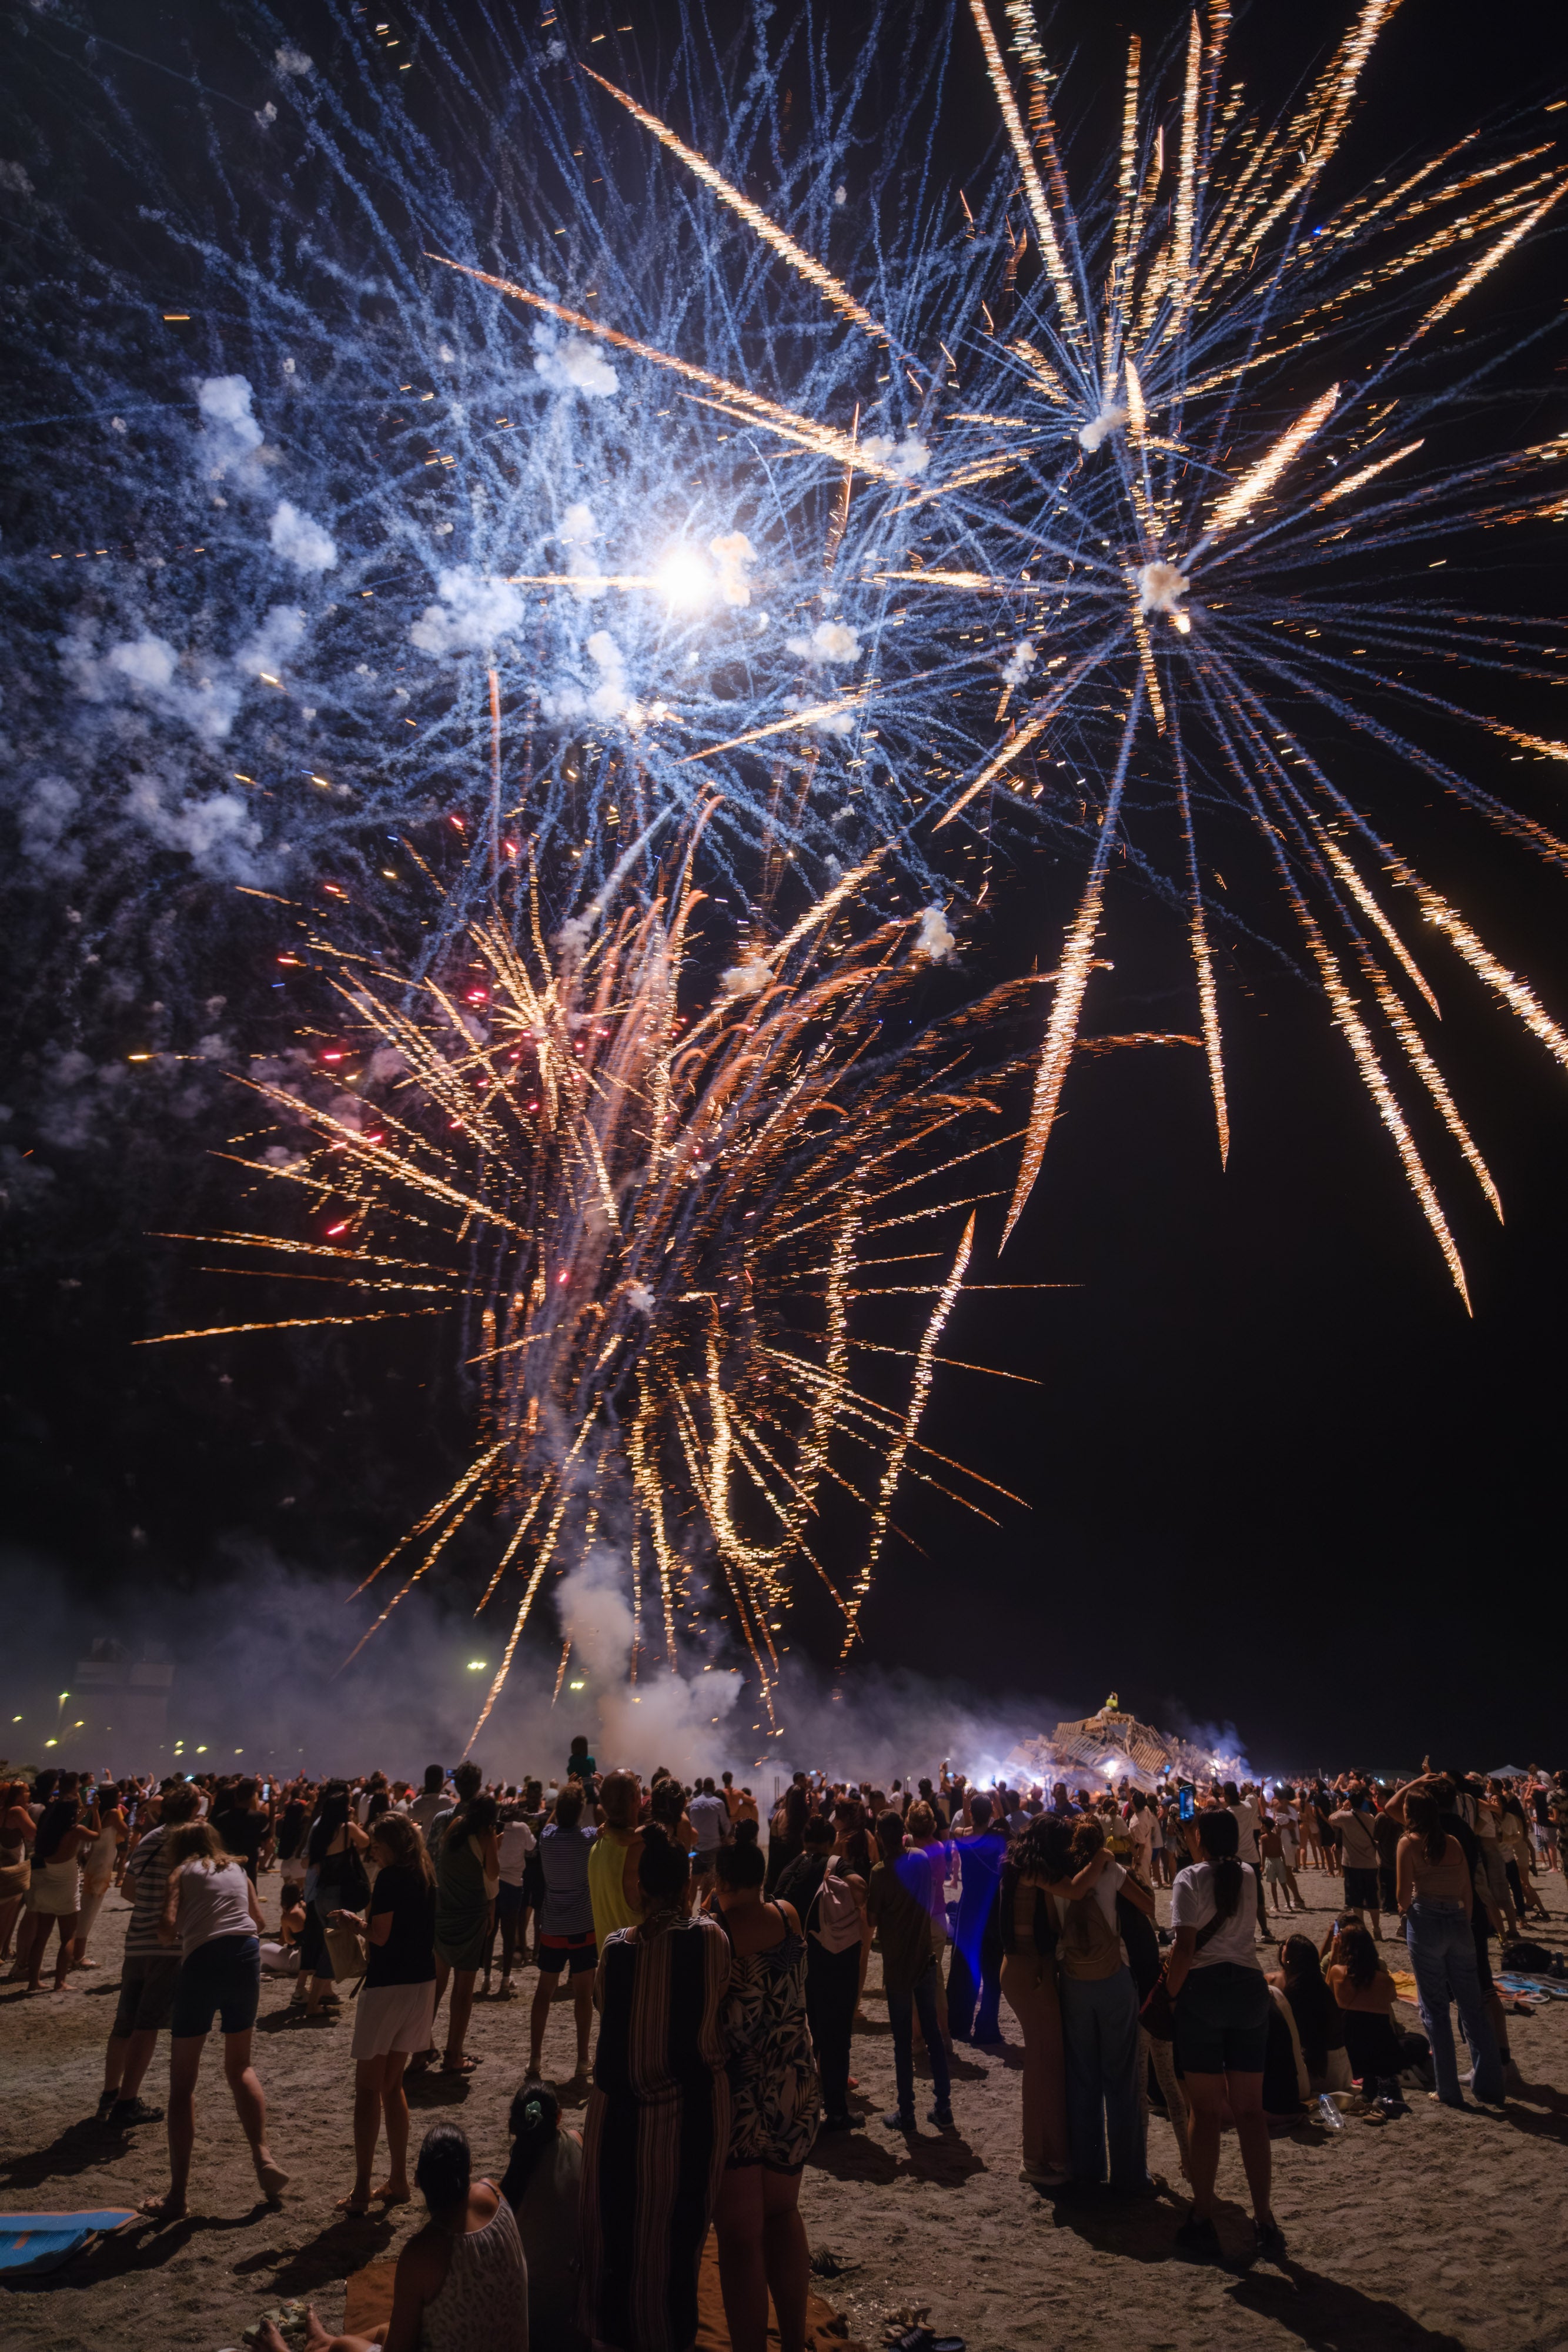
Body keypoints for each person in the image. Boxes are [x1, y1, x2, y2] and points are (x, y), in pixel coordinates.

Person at [580, 1820, 732, 2352]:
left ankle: (615, 2333)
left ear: (640, 1887)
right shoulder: (710, 1940)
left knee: (617, 2236)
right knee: (677, 2238)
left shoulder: (616, 1951)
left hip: (619, 2117)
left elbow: (607, 2009)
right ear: (688, 1882)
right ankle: (667, 2334)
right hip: (688, 2120)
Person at [259, 2122, 528, 2352]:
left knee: (347, 2348)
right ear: (470, 2167)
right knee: (383, 2332)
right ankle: (323, 2343)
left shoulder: (424, 2252)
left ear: (418, 2181)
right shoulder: (492, 2191)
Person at [142, 1819, 287, 2220]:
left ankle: (177, 2197)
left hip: (203, 1962)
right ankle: (263, 2158)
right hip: (245, 1955)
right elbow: (257, 1922)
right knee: (240, 2065)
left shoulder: (180, 1872)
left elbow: (167, 1929)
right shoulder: (237, 1869)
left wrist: (176, 1924)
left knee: (183, 2082)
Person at [711, 1825, 821, 2352]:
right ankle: (796, 2342)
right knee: (782, 2213)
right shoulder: (787, 1915)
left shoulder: (717, 1934)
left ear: (720, 1879)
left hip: (742, 2088)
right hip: (795, 2078)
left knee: (738, 2236)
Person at [1166, 1808, 1282, 2266]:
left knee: (1206, 2112)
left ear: (1198, 1836)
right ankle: (1263, 2218)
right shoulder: (1249, 1875)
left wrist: (1170, 1999)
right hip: (1249, 1989)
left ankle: (1202, 2212)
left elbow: (1185, 1948)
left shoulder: (1189, 1879)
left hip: (1205, 1992)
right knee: (1251, 2112)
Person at [327, 1812, 437, 2214]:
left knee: (367, 2089)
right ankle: (398, 2180)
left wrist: (352, 1922)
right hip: (421, 1983)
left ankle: (360, 2190)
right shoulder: (425, 1875)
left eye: (376, 1845)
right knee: (393, 2086)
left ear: (391, 1844)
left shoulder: (392, 1879)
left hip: (389, 1986)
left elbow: (380, 1935)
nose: (372, 1850)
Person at [1050, 1819, 1153, 2193]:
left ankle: (1088, 2169)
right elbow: (1149, 1905)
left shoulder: (1059, 1878)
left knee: (1083, 2078)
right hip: (1114, 1980)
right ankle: (1129, 2175)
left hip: (1075, 1983)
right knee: (1121, 2078)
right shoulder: (1112, 1871)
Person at [98, 1779, 202, 2129]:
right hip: (167, 1944)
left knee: (124, 2022)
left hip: (137, 1940)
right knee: (149, 2024)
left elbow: (127, 1888)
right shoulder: (188, 1843)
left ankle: (110, 2092)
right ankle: (128, 2103)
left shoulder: (150, 1838)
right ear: (193, 1811)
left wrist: (149, 1906)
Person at [1393, 1789, 1504, 2108]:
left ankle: (1448, 2090)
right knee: (1473, 2008)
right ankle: (1490, 2086)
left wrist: (1409, 1911)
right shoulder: (1453, 1842)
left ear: (1413, 1813)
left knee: (1435, 2011)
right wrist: (1460, 1921)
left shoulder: (1408, 1843)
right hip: (1459, 1923)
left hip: (1426, 1921)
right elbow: (1468, 1892)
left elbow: (1401, 1897)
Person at [865, 1809, 952, 2136]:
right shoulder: (919, 1858)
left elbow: (872, 1920)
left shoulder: (879, 1872)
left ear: (878, 1836)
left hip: (898, 1965)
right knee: (932, 2034)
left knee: (903, 2041)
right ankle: (944, 2108)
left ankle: (907, 2112)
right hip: (924, 1958)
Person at [774, 1815, 864, 2134]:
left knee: (805, 2037)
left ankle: (802, 2105)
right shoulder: (835, 1863)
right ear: (831, 1841)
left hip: (797, 1966)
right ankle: (837, 2113)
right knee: (836, 2036)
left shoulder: (788, 1870)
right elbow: (860, 1887)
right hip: (833, 1961)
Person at [998, 1814, 1071, 2187]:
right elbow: (1074, 1890)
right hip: (1033, 1972)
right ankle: (1043, 2158)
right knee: (1047, 2062)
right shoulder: (1037, 1871)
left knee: (1042, 2060)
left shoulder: (1016, 1864)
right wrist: (1105, 1862)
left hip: (1017, 1967)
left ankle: (1042, 2154)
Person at [501, 2082, 587, 2352]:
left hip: (531, 2318)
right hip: (580, 2307)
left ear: (515, 2123)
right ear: (558, 2116)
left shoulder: (510, 2186)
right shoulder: (578, 2142)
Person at [528, 1784, 598, 2081]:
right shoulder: (587, 1839)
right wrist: (595, 1790)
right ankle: (583, 2060)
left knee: (544, 1992)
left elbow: (548, 1823)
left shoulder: (547, 1837)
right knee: (583, 1994)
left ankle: (534, 2059)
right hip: (583, 1926)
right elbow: (608, 1825)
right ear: (581, 1811)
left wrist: (564, 1801)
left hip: (553, 1927)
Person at [433, 1789, 499, 2075]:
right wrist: (495, 1844)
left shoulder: (454, 1827)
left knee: (435, 1988)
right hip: (471, 1917)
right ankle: (454, 2054)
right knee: (463, 1991)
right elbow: (494, 1874)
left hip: (444, 1913)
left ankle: (421, 2048)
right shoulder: (486, 1836)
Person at [12, 1789, 97, 1992]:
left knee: (41, 1938)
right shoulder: (76, 1831)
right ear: (71, 1813)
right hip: (66, 1890)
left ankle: (34, 1982)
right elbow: (97, 1835)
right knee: (68, 1936)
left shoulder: (49, 1831)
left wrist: (83, 1810)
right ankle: (60, 1982)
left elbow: (72, 1818)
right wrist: (95, 1812)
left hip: (46, 1888)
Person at [300, 1783, 372, 2022]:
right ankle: (313, 2004)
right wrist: (352, 1820)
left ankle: (321, 1994)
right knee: (332, 1950)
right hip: (338, 1896)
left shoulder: (322, 1830)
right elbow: (365, 1842)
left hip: (321, 1894)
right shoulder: (347, 1828)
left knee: (326, 1945)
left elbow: (309, 1861)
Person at [1325, 1916, 1409, 2103]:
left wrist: (1333, 1952)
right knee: (1411, 2043)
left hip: (1350, 2043)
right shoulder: (1384, 1981)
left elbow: (1326, 1993)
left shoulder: (1338, 1973)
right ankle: (1382, 2090)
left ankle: (1369, 2089)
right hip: (1381, 2043)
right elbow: (1392, 1998)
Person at [947, 1793, 1005, 2043]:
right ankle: (987, 2027)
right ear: (991, 1813)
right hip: (993, 1909)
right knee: (993, 1971)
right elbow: (1006, 1825)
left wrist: (965, 1806)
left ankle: (958, 2025)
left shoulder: (963, 1837)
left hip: (969, 1908)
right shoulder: (1000, 1838)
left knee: (964, 1968)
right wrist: (996, 1804)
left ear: (971, 1814)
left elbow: (958, 1829)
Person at [587, 1768, 644, 1953]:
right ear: (636, 1798)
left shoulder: (596, 1849)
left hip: (607, 1968)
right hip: (639, 1968)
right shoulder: (639, 1851)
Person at [73, 1781, 126, 1969]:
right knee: (90, 1910)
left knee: (88, 1907)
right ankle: (78, 1956)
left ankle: (77, 1953)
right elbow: (125, 1832)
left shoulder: (99, 1812)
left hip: (97, 1862)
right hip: (102, 1865)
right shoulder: (112, 1813)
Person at [1330, 1788, 1383, 1940]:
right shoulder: (1370, 1818)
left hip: (1352, 1863)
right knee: (1373, 1898)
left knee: (1356, 1900)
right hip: (1370, 1863)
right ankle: (1377, 1928)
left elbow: (1331, 1818)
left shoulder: (1345, 1817)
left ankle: (1362, 1928)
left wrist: (1342, 1808)